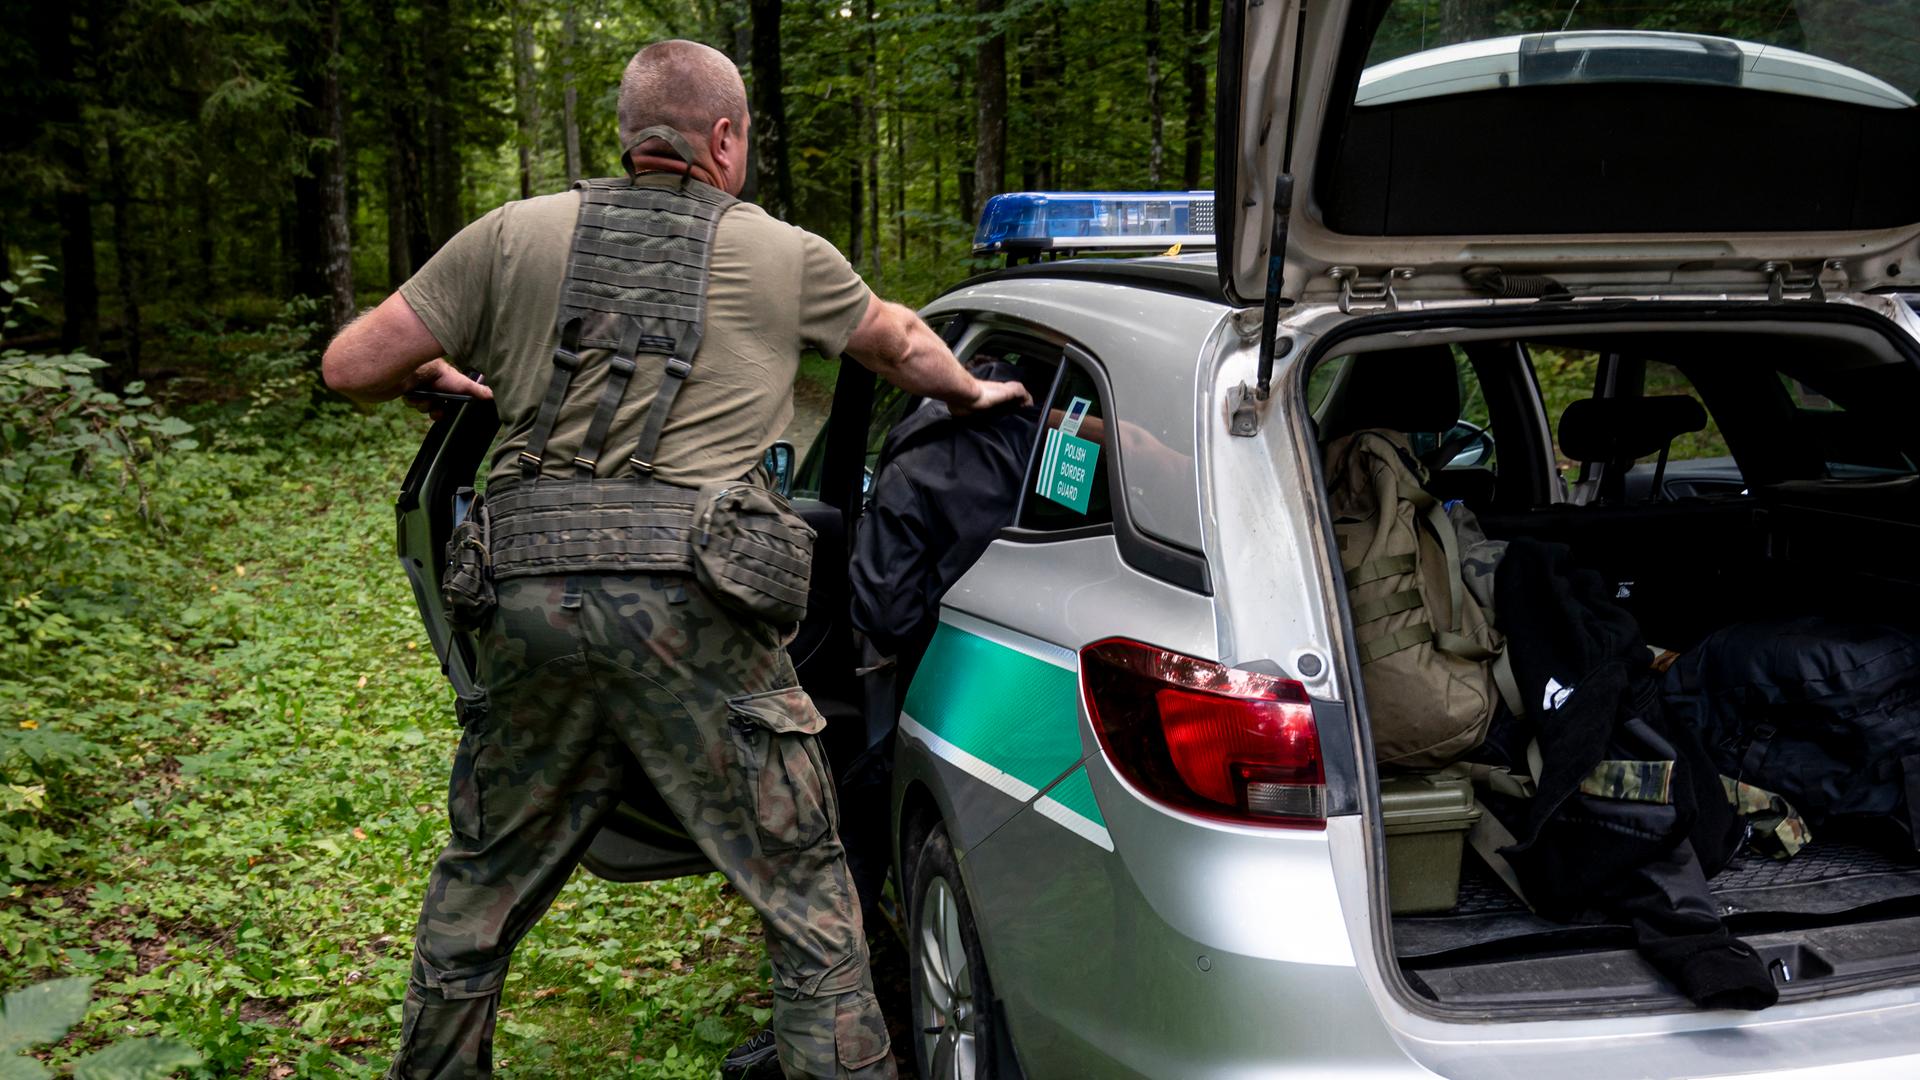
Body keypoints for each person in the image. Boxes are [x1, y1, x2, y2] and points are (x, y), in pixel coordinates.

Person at [321, 39, 1028, 1080]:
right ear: (726, 139)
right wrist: (971, 396)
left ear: (630, 133)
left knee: (480, 885)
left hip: (527, 605)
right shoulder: (789, 254)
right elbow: (900, 344)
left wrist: (444, 373)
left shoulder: (512, 234)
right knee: (806, 901)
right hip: (697, 613)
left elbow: (349, 364)